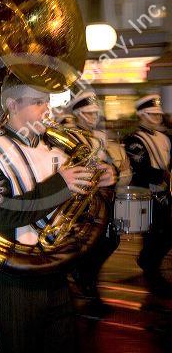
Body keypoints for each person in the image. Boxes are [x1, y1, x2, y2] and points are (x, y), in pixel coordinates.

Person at [0, 74, 116, 353]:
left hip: (54, 272)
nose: (46, 109)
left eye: (47, 101)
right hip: (11, 278)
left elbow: (81, 211)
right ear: (12, 105)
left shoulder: (57, 150)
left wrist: (102, 183)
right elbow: (2, 215)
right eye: (37, 103)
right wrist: (61, 184)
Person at [58, 90, 124, 305]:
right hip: (80, 199)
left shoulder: (100, 137)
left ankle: (85, 275)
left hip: (101, 197)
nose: (93, 118)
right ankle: (83, 280)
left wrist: (112, 170)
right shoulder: (68, 134)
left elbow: (108, 162)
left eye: (95, 114)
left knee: (110, 239)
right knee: (82, 243)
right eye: (88, 113)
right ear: (77, 113)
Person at [124, 94, 172, 296]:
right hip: (145, 192)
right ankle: (151, 269)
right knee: (155, 232)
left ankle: (149, 261)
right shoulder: (134, 139)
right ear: (141, 114)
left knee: (164, 232)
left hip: (164, 191)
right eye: (152, 114)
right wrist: (164, 174)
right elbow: (141, 169)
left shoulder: (164, 137)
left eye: (158, 114)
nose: (157, 118)